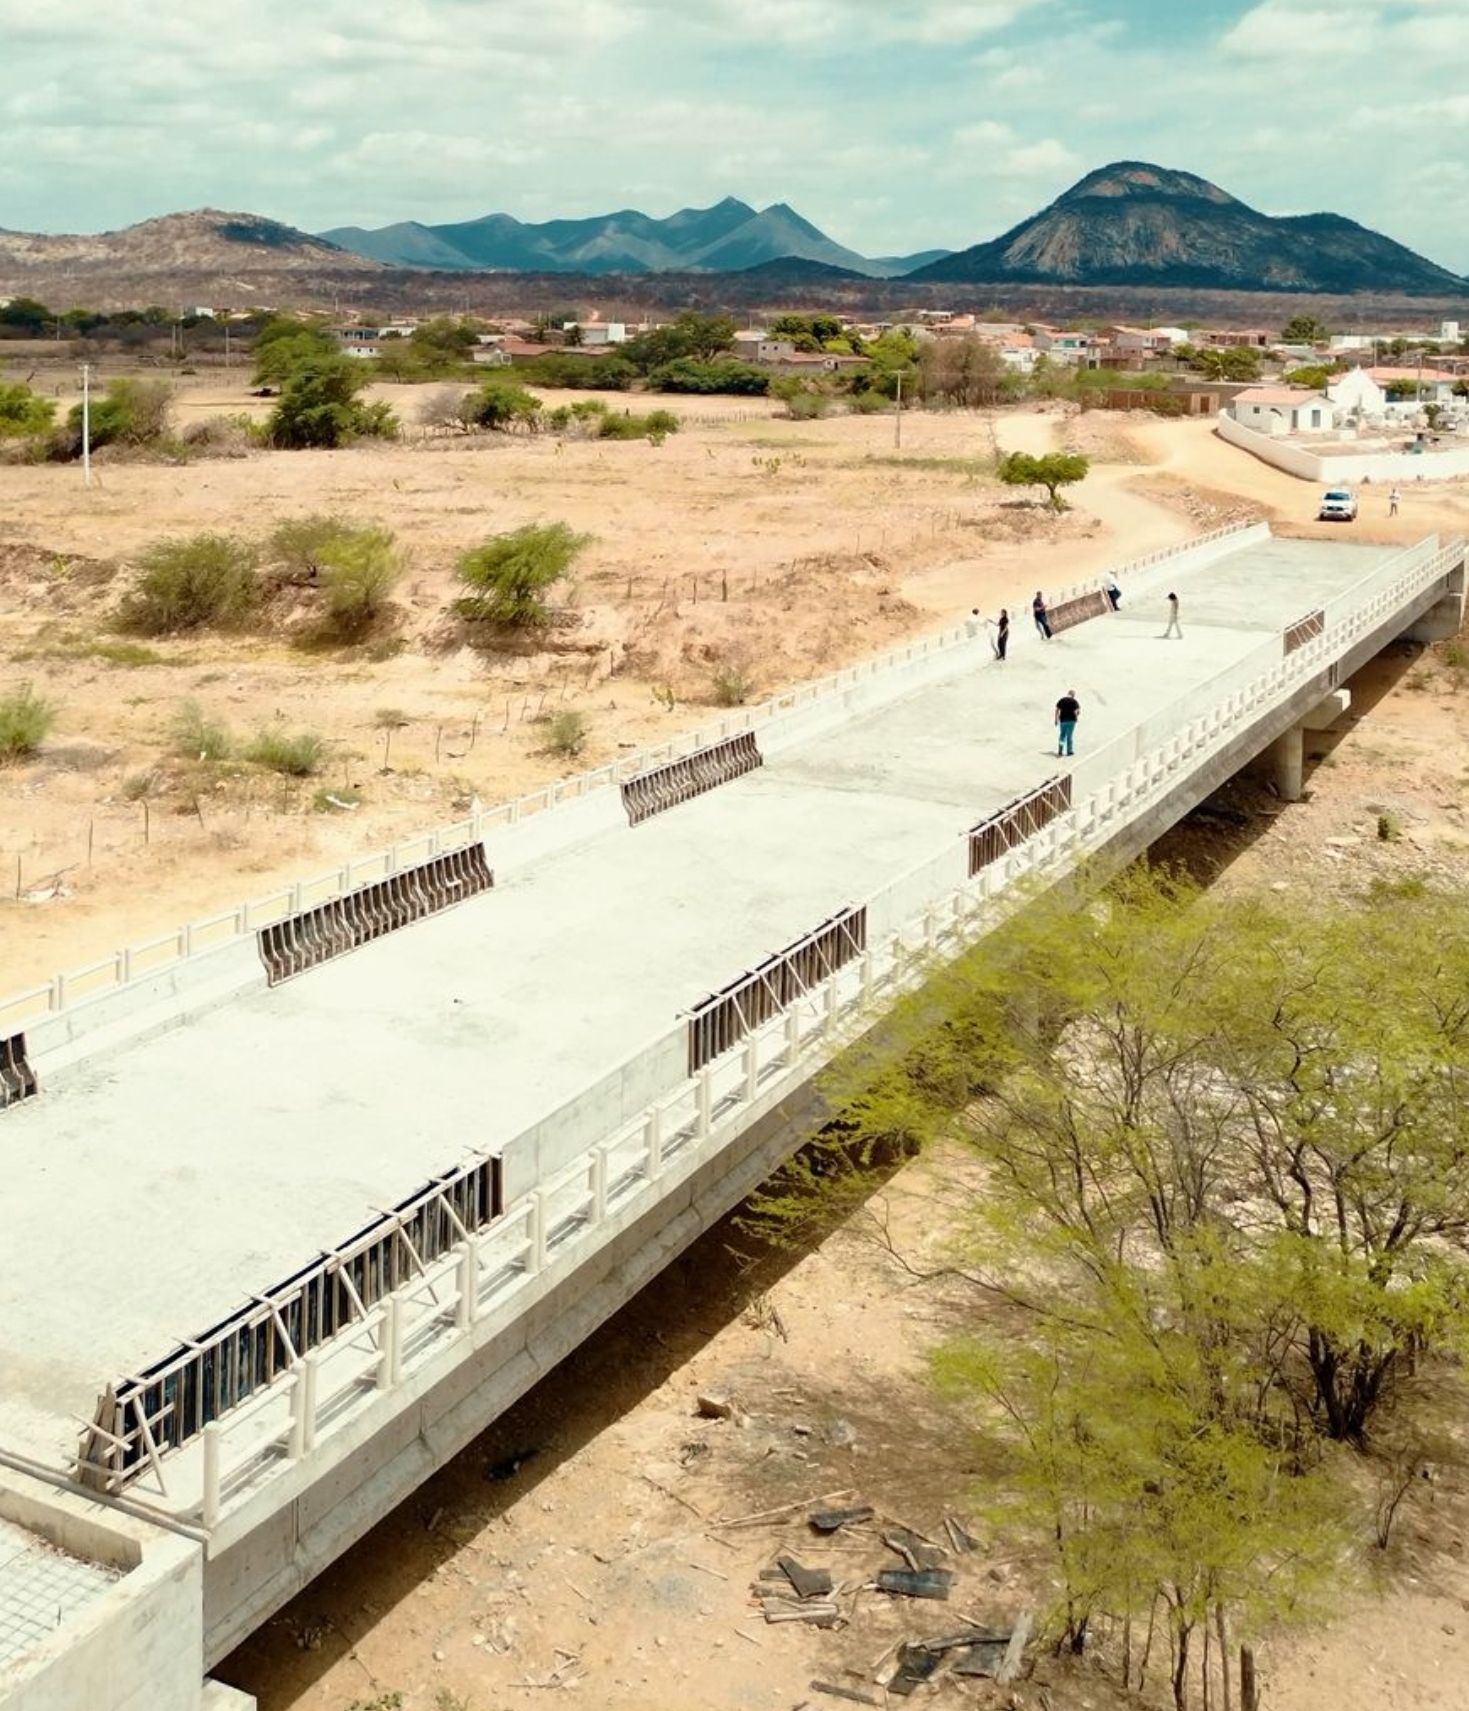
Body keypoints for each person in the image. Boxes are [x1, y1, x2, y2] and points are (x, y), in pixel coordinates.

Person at [1055, 688, 1080, 757]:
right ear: (1073, 695)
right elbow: (1077, 711)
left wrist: (1056, 719)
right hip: (1071, 720)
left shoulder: (1062, 700)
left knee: (1062, 735)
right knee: (1069, 736)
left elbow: (1057, 710)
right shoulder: (1074, 701)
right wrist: (1076, 715)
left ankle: (1060, 750)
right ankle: (1069, 751)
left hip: (1063, 720)